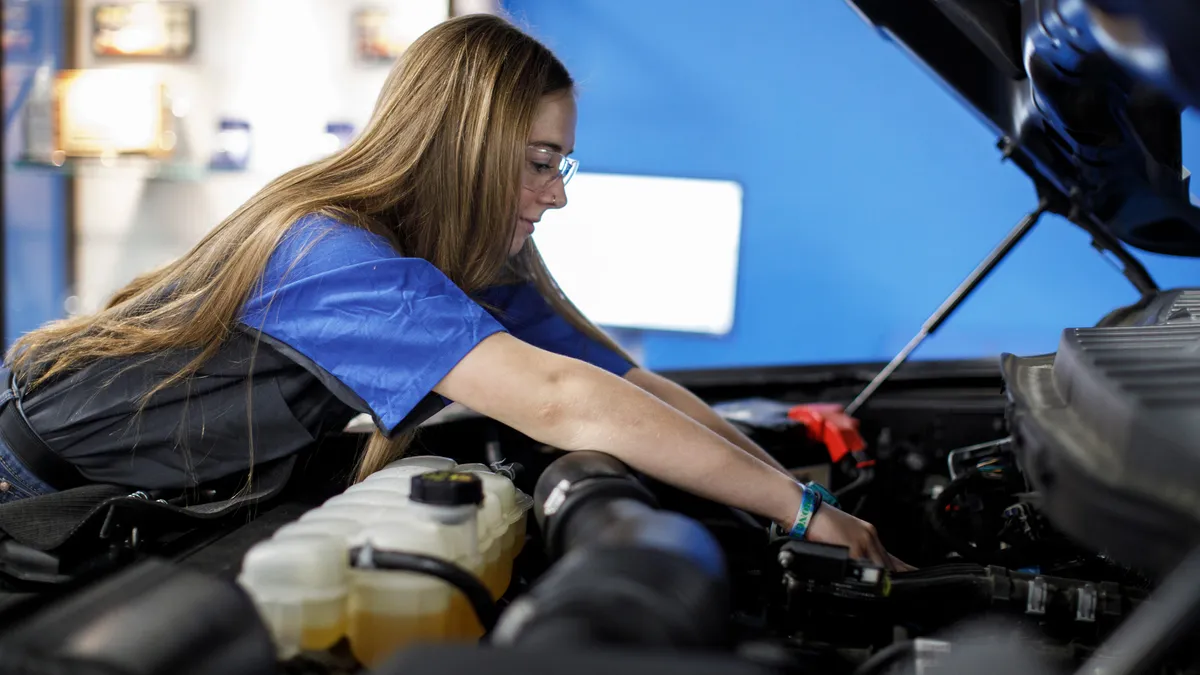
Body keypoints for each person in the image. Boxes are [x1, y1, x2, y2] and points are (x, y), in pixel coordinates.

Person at [1, 14, 908, 570]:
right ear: (468, 144)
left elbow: (624, 386)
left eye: (563, 164)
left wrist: (795, 492)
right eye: (542, 163)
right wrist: (799, 511)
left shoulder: (460, 264)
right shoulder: (336, 254)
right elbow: (564, 400)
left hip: (137, 495)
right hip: (28, 486)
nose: (558, 192)